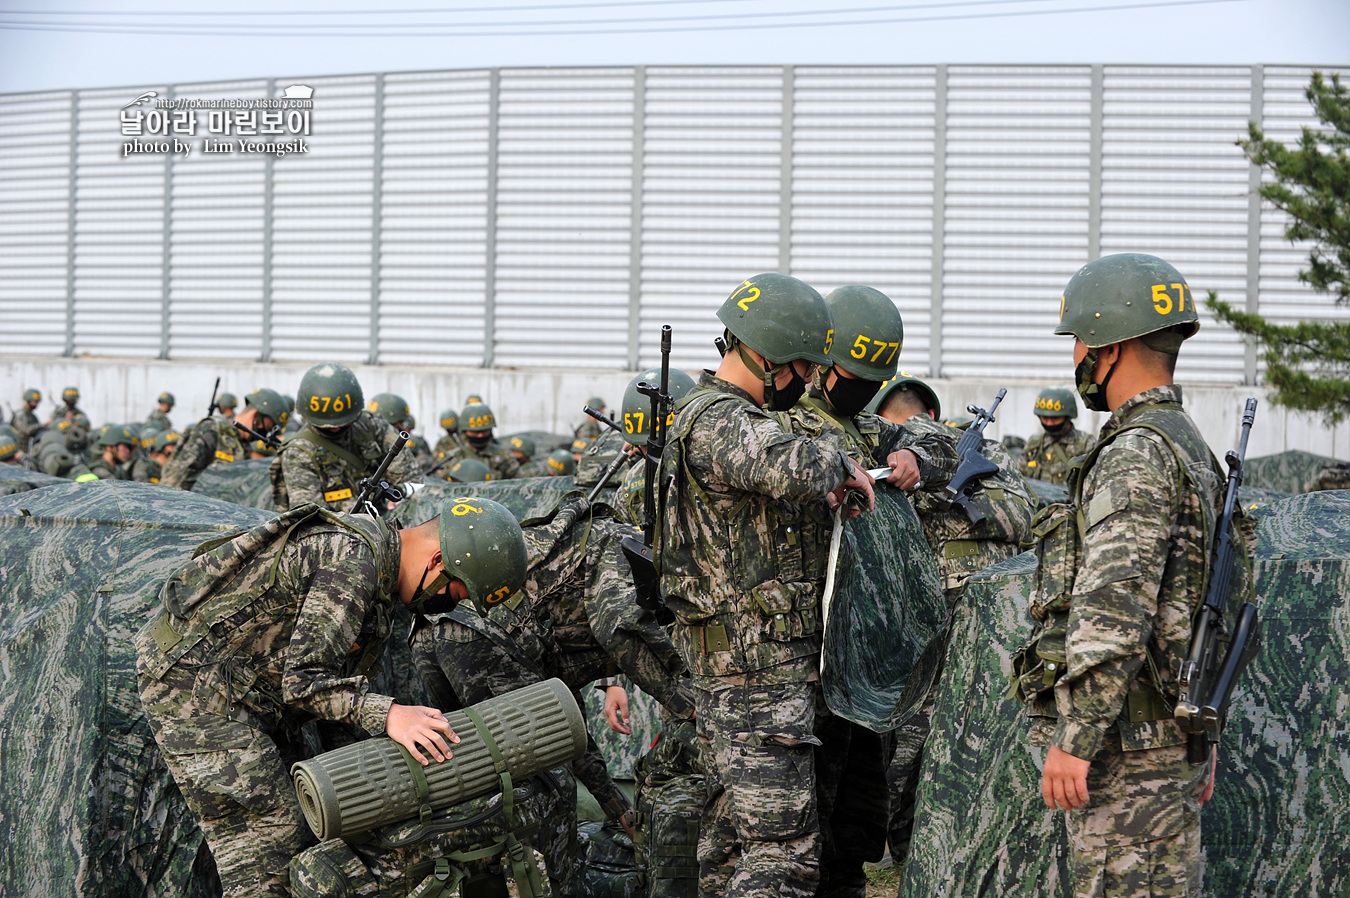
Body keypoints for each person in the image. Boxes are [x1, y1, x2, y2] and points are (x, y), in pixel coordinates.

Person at [136, 496, 528, 898]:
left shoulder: (381, 575)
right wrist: (390, 714)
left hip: (253, 694)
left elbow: (331, 679)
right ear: (436, 561)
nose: (447, 605)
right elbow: (304, 682)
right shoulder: (353, 562)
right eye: (454, 594)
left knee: (310, 828)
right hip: (195, 692)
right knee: (270, 842)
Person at [658, 273, 899, 898]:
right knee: (782, 861)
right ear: (768, 356)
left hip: (732, 678)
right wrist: (841, 464)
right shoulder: (718, 420)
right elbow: (787, 458)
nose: (808, 380)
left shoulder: (718, 418)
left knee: (727, 853)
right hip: (757, 684)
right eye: (802, 365)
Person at [1021, 253, 1250, 897]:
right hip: (1170, 738)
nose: (1075, 360)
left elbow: (1114, 607)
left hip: (1128, 750)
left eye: (1078, 343)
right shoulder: (1189, 445)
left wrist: (1076, 735)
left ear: (1110, 347)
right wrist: (1202, 736)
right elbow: (1212, 607)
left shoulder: (1136, 453)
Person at [777, 286, 959, 898]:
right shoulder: (786, 425)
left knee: (860, 800)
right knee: (809, 808)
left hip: (863, 645)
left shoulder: (864, 426)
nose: (859, 388)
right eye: (853, 376)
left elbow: (941, 441)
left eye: (871, 380)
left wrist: (912, 452)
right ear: (822, 360)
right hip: (806, 650)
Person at [868, 371, 1035, 866]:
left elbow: (1020, 518)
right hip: (918, 635)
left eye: (916, 425)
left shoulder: (990, 457)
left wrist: (953, 497)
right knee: (903, 759)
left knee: (982, 750)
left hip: (986, 632)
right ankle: (905, 855)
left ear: (935, 422)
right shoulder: (880, 470)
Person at [271, 365, 420, 513]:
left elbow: (413, 479)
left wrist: (401, 497)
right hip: (336, 532)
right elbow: (311, 519)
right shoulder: (298, 452)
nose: (335, 428)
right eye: (326, 426)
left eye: (343, 424)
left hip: (388, 520)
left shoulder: (372, 425)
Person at [164, 389, 288, 492]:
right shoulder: (213, 429)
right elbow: (181, 474)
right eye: (267, 428)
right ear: (256, 416)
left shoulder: (242, 445)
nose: (266, 434)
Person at [1018, 386, 1097, 485]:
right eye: (1045, 418)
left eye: (1055, 418)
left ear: (1067, 416)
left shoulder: (1086, 444)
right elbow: (1020, 478)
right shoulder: (1034, 444)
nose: (1049, 423)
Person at [456, 403, 520, 481]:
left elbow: (518, 482)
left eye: (484, 431)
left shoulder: (504, 455)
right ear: (464, 431)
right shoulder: (454, 457)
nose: (480, 435)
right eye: (475, 432)